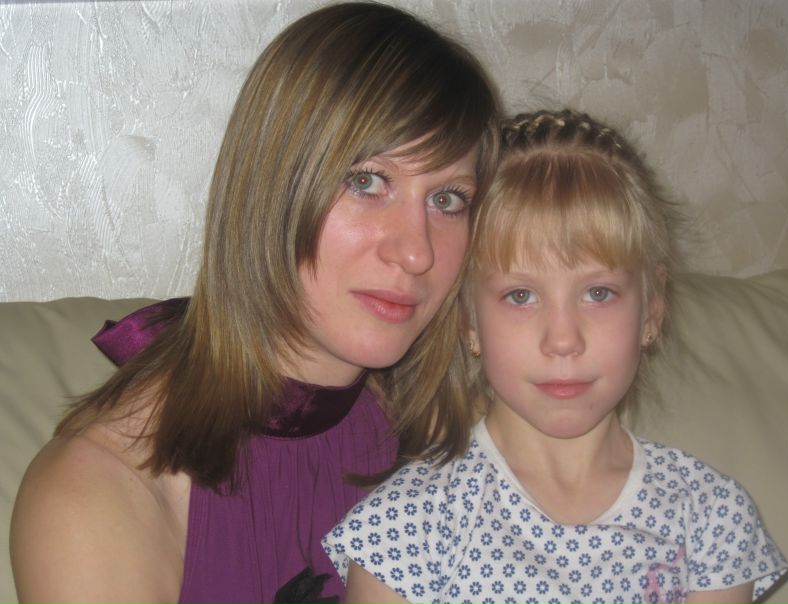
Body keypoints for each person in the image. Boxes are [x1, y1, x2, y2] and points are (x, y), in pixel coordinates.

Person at [9, 3, 500, 602]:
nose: (417, 252)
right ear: (271, 186)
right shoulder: (97, 499)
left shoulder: (467, 426)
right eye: (367, 181)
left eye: (448, 199)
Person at [322, 109, 788, 603]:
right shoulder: (406, 530)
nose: (563, 340)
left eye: (598, 293)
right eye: (521, 296)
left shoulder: (711, 517)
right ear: (469, 322)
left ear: (651, 310)